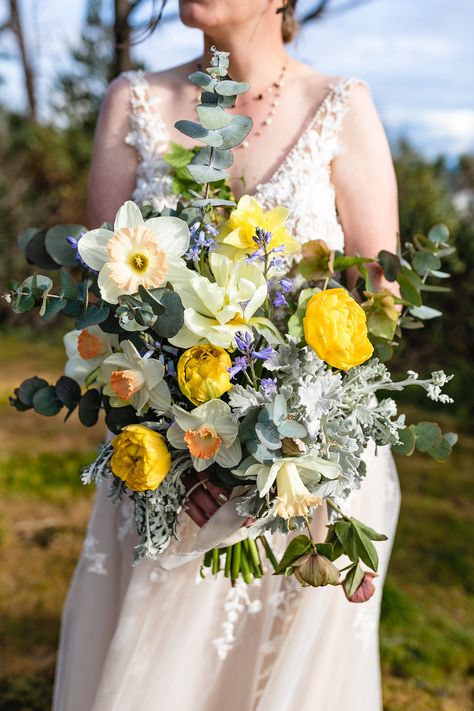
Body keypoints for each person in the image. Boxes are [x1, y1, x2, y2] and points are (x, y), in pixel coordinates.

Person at [53, 1, 401, 709]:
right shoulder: (134, 102)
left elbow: (381, 306)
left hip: (303, 479)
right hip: (167, 478)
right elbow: (103, 302)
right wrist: (176, 445)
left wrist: (283, 436)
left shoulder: (340, 106)